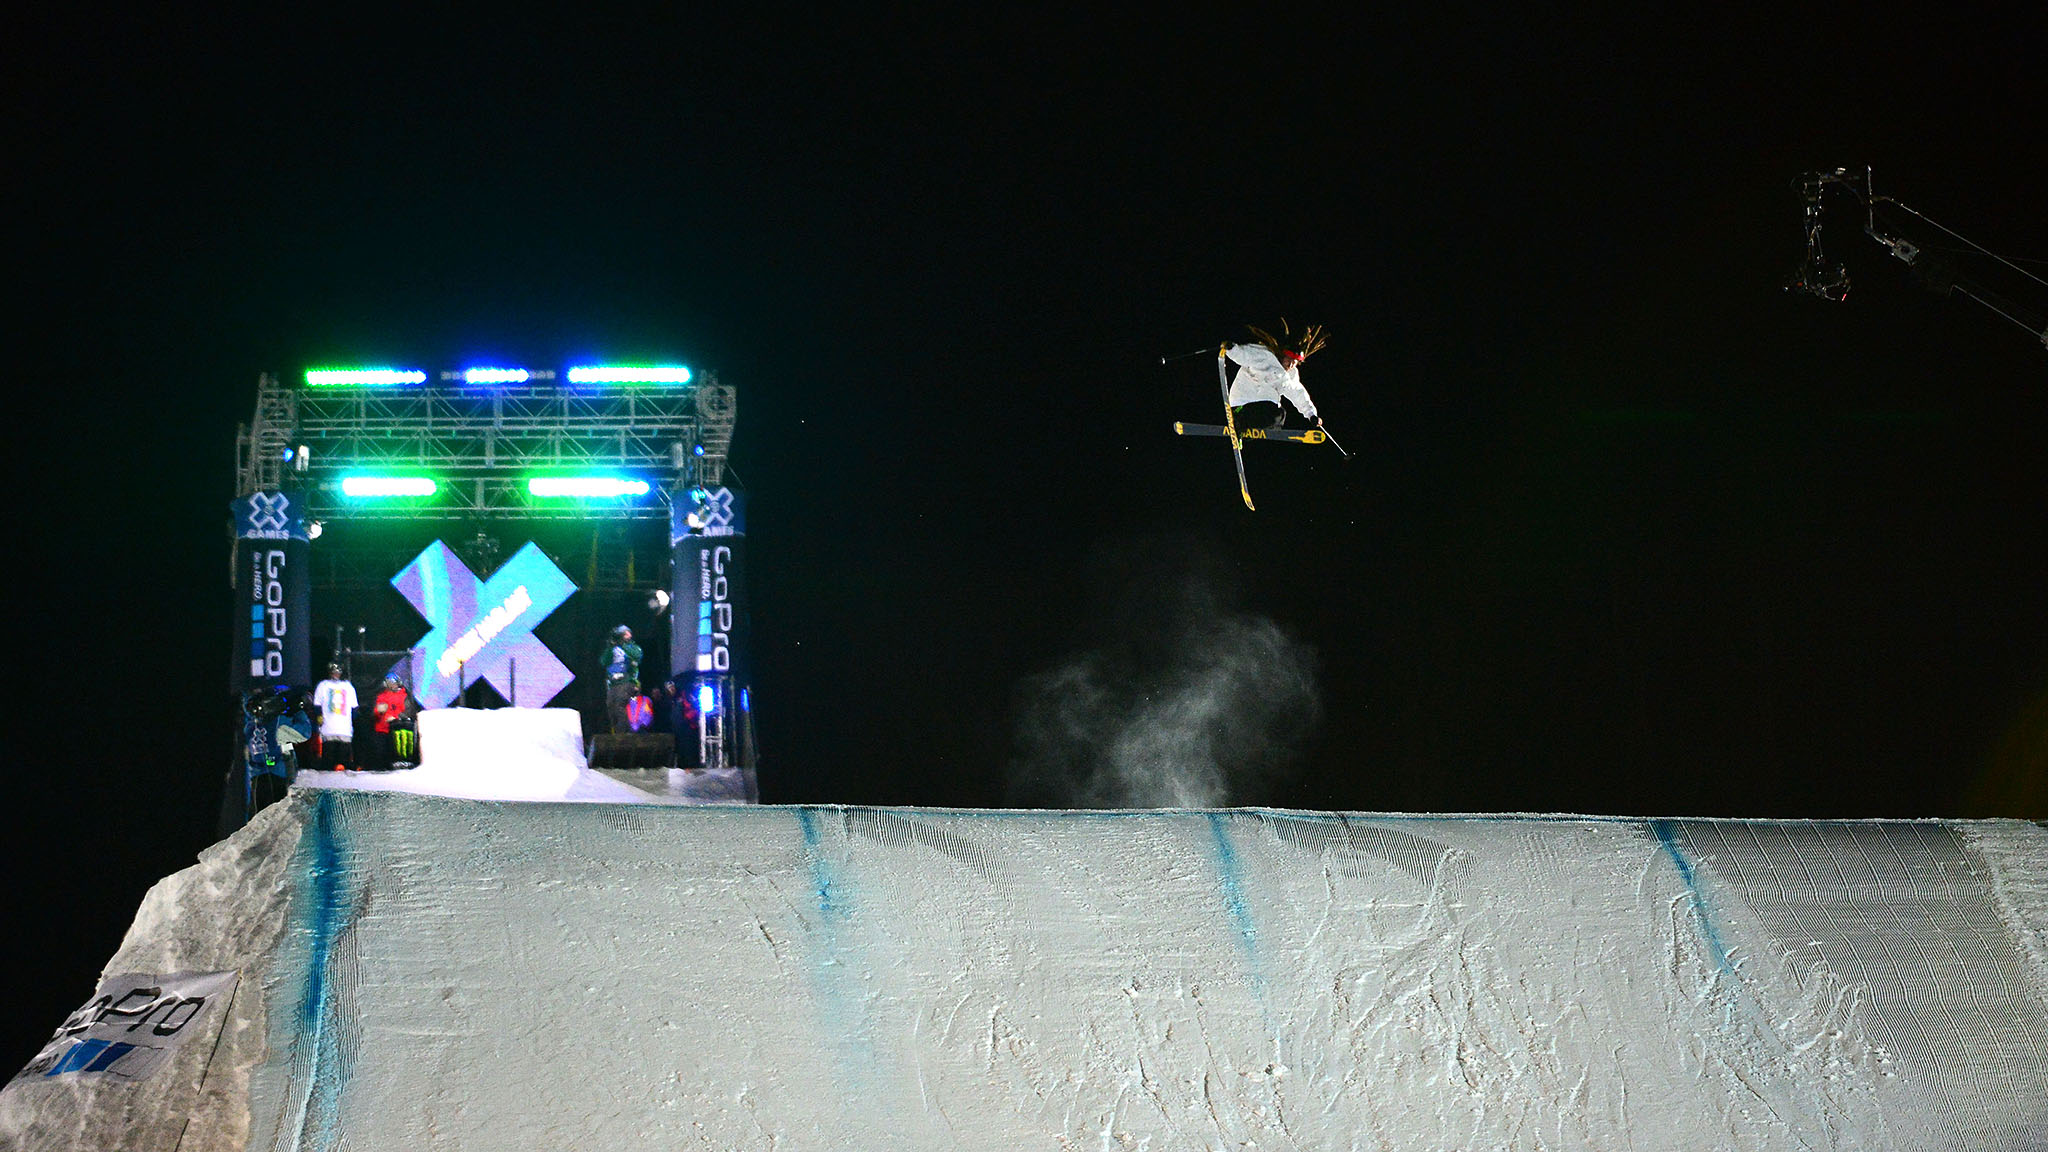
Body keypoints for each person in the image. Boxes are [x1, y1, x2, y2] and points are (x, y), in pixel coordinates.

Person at [1221, 321, 1326, 430]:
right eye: (1288, 360)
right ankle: (1240, 420)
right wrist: (1232, 349)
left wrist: (1311, 415)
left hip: (1260, 411)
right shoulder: (1264, 357)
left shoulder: (1290, 375)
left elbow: (1298, 394)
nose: (1291, 365)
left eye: (1295, 362)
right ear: (1282, 354)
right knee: (1275, 413)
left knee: (1279, 416)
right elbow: (1244, 355)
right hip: (1242, 406)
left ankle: (1246, 431)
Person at [312, 663, 359, 771]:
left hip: (344, 730)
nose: (335, 674)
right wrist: (319, 717)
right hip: (328, 729)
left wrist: (351, 722)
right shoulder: (323, 685)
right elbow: (317, 704)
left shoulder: (348, 686)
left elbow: (354, 708)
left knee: (344, 762)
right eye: (333, 672)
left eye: (338, 672)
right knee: (328, 761)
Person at [601, 625, 643, 734]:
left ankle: (624, 733)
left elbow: (637, 655)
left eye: (627, 633)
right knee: (611, 707)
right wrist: (610, 647)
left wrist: (623, 645)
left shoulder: (633, 647)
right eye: (624, 633)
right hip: (613, 683)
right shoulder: (613, 649)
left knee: (620, 705)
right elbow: (603, 661)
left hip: (627, 681)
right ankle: (616, 732)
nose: (627, 635)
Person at [372, 676, 414, 770]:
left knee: (398, 748)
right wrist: (379, 711)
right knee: (381, 750)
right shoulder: (382, 696)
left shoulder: (404, 696)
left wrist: (397, 717)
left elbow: (408, 711)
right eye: (389, 683)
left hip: (398, 728)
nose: (392, 685)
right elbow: (376, 713)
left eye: (393, 683)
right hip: (383, 728)